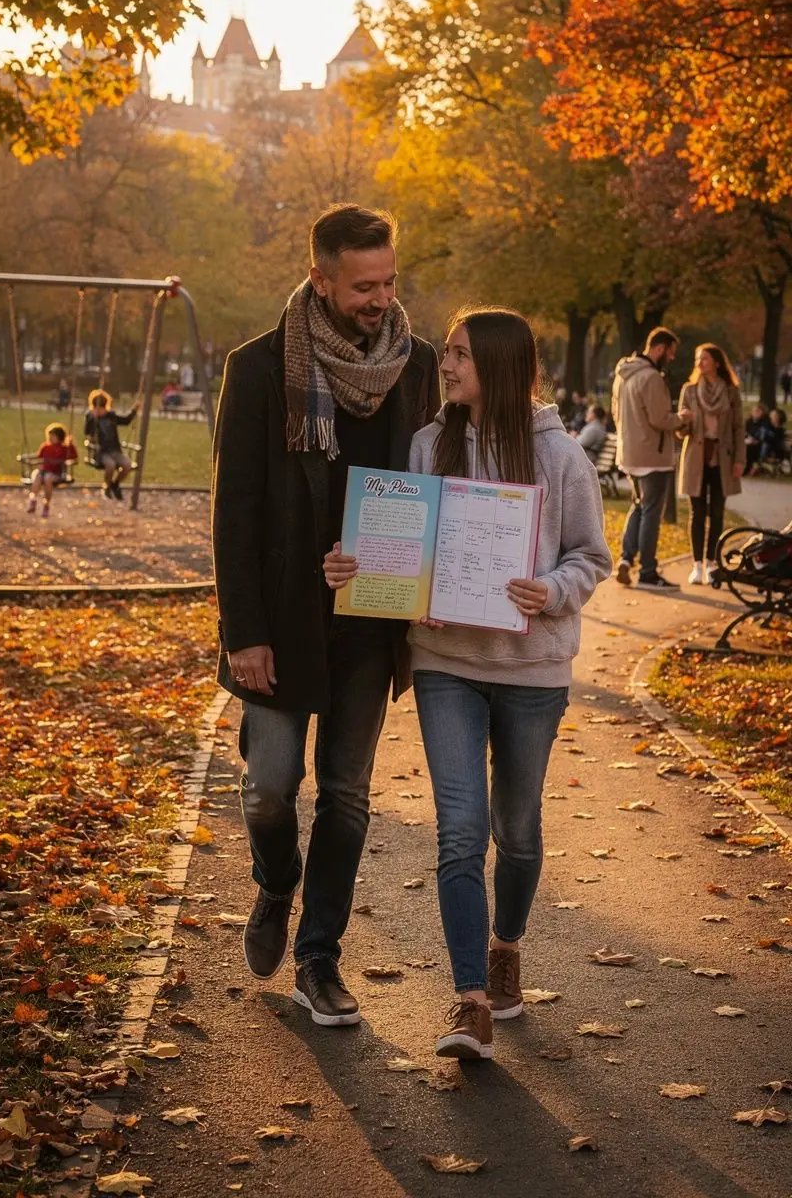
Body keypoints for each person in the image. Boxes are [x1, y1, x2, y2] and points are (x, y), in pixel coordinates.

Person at [326, 308, 611, 1061]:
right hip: (447, 665)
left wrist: (548, 591)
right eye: (445, 354)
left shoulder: (558, 457)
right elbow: (402, 555)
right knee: (460, 830)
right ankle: (470, 1000)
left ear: (500, 366)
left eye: (457, 356)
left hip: (532, 671)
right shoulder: (430, 443)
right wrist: (364, 572)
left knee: (516, 832)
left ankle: (505, 944)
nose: (443, 366)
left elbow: (592, 557)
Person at [212, 204, 440, 1027]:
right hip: (279, 617)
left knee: (346, 796)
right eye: (362, 285)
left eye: (388, 282)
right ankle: (275, 885)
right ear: (320, 278)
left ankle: (320, 959)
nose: (379, 298)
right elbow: (234, 511)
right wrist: (244, 633)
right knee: (269, 791)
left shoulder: (418, 365)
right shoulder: (262, 367)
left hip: (372, 622)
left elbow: (433, 488)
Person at [612, 327, 692, 589]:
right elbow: (660, 419)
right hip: (653, 455)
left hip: (629, 452)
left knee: (638, 505)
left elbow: (615, 412)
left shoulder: (622, 374)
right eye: (670, 352)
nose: (671, 358)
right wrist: (682, 418)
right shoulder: (652, 378)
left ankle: (625, 559)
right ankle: (647, 571)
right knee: (651, 512)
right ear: (659, 348)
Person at [677, 345, 745, 584]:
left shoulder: (731, 391)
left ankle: (712, 563)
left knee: (717, 512)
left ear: (716, 362)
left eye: (704, 358)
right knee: (698, 512)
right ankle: (696, 565)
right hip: (696, 457)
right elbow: (681, 430)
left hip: (722, 458)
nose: (699, 362)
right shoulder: (690, 390)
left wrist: (739, 460)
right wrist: (684, 421)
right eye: (697, 358)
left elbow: (738, 429)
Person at [84, 389, 137, 500]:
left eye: (103, 409)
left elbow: (126, 421)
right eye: (99, 408)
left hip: (115, 450)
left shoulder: (111, 415)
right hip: (101, 452)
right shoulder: (91, 416)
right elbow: (87, 432)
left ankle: (115, 484)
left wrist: (134, 410)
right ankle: (106, 487)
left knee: (127, 465)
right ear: (94, 407)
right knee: (111, 465)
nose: (101, 411)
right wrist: (93, 418)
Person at [26, 423, 78, 518]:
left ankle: (46, 505)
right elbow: (38, 456)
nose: (50, 438)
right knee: (37, 476)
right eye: (49, 436)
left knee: (47, 478)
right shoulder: (45, 447)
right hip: (43, 471)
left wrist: (71, 445)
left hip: (56, 473)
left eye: (53, 436)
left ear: (60, 437)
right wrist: (26, 459)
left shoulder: (64, 448)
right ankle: (32, 499)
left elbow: (74, 456)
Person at [744, 402, 770, 475]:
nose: (755, 413)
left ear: (762, 413)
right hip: (748, 441)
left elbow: (763, 434)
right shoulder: (748, 421)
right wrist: (746, 437)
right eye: (754, 411)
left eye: (758, 411)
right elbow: (743, 432)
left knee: (750, 449)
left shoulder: (765, 422)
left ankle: (748, 469)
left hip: (759, 444)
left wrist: (756, 439)